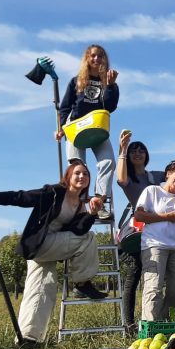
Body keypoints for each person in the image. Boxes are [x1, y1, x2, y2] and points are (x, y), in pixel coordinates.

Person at [0, 159, 106, 344]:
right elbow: (20, 197)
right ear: (68, 177)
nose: (82, 176)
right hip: (40, 244)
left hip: (53, 246)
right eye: (77, 173)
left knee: (41, 288)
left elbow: (78, 230)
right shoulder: (53, 192)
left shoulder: (80, 205)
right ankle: (81, 283)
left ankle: (29, 338)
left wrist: (92, 214)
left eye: (85, 174)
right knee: (89, 238)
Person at [116, 133, 175, 332]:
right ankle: (143, 328)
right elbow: (121, 181)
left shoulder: (155, 177)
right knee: (146, 283)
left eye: (142, 150)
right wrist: (122, 149)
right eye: (134, 151)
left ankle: (162, 326)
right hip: (146, 236)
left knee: (174, 290)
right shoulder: (144, 186)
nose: (138, 153)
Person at [57, 44, 119, 219]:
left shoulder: (109, 81)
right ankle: (78, 203)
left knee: (108, 161)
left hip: (97, 126)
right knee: (77, 166)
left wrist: (110, 86)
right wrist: (62, 128)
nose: (96, 59)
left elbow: (110, 107)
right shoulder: (76, 80)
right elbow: (65, 106)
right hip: (76, 126)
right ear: (87, 58)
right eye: (93, 56)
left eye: (100, 56)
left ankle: (99, 202)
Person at [134, 161, 175, 321]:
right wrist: (166, 217)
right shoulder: (152, 191)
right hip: (155, 244)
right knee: (154, 288)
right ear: (168, 174)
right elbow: (139, 215)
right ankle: (149, 327)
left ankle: (164, 323)